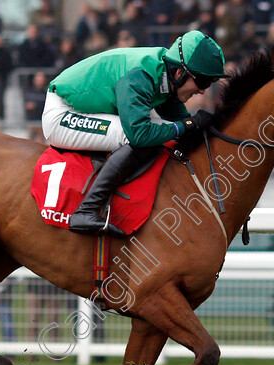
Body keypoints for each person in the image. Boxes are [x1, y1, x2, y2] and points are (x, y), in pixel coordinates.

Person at [43, 30, 227, 236]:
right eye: (202, 81)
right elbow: (139, 134)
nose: (203, 91)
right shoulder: (141, 76)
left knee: (164, 130)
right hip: (63, 114)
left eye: (209, 84)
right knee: (136, 136)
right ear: (180, 73)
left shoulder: (166, 74)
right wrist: (186, 125)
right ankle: (86, 210)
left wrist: (200, 126)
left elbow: (182, 126)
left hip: (87, 109)